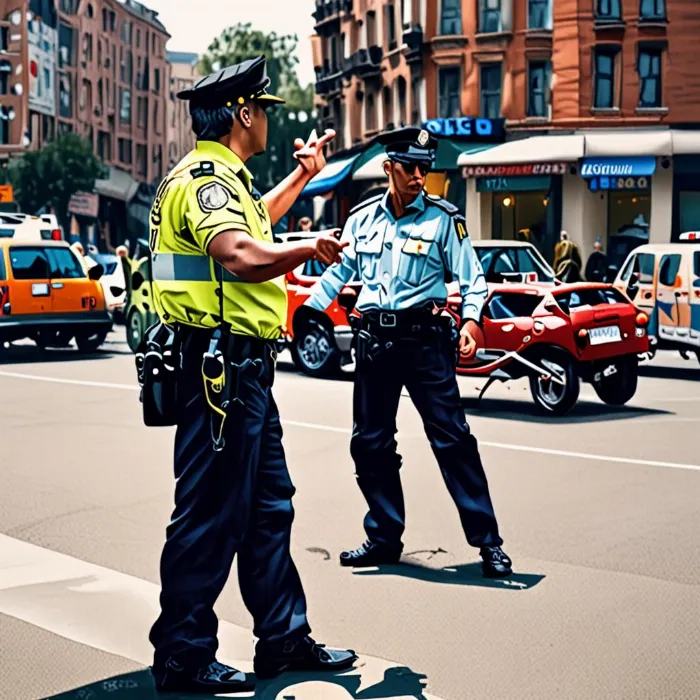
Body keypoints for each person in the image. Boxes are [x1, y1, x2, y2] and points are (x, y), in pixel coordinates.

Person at [147, 55, 356, 694]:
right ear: (242, 113)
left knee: (268, 510)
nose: (267, 118)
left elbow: (254, 219)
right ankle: (182, 654)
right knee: (209, 515)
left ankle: (284, 640)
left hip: (243, 376)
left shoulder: (223, 181)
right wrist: (309, 245)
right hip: (220, 375)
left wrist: (301, 176)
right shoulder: (207, 179)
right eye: (263, 108)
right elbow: (240, 254)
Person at [304, 127, 513, 579]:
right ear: (389, 169)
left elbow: (473, 280)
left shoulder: (443, 220)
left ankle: (488, 543)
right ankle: (383, 537)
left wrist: (473, 321)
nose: (420, 175)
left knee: (454, 440)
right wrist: (310, 310)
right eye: (411, 167)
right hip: (375, 344)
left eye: (426, 167)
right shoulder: (361, 220)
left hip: (425, 343)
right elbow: (339, 271)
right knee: (370, 445)